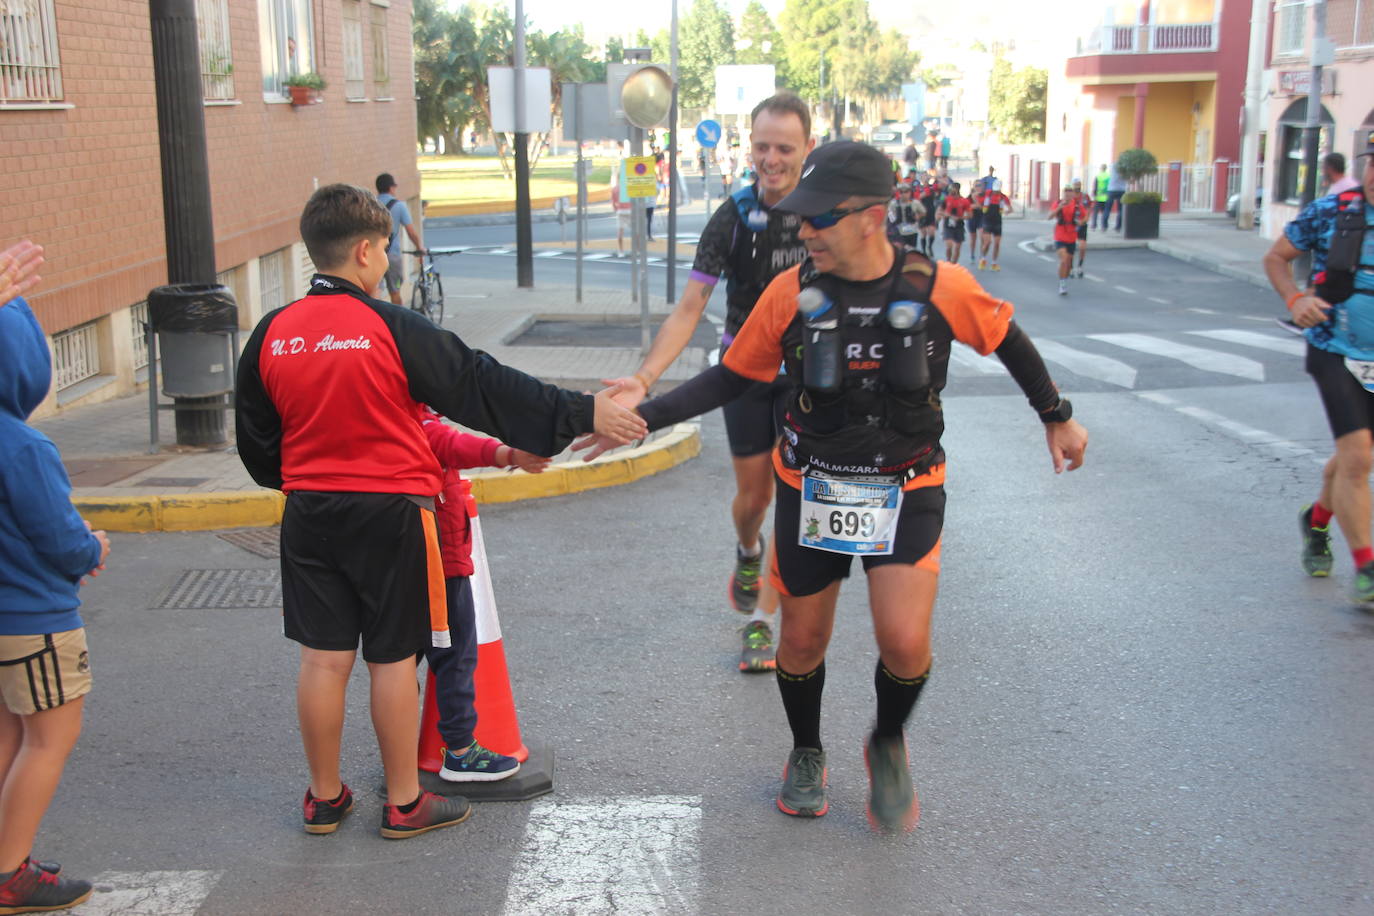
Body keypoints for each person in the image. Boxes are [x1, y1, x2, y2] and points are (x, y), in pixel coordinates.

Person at [588, 141, 1087, 832]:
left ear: (871, 217)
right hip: (812, 485)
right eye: (801, 217)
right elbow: (733, 375)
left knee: (905, 642)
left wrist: (1056, 417)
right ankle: (806, 750)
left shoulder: (938, 286)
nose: (805, 230)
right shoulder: (791, 293)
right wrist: (641, 414)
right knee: (799, 644)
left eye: (820, 218)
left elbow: (1005, 337)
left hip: (906, 483)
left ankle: (886, 738)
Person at [235, 184, 645, 839]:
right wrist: (579, 411)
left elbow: (257, 448)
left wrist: (304, 480)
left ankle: (324, 798)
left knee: (321, 661)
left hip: (309, 512)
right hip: (394, 513)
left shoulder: (272, 334)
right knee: (392, 659)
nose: (389, 265)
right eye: (387, 253)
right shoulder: (391, 328)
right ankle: (404, 802)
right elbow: (477, 383)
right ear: (366, 252)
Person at [575, 93, 817, 673]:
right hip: (742, 374)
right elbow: (689, 308)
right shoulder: (732, 217)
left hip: (807, 381)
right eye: (762, 146)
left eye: (784, 148)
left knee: (795, 499)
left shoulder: (825, 215)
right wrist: (643, 378)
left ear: (808, 148)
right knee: (754, 499)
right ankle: (747, 549)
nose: (771, 158)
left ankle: (761, 623)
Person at [0, 239, 111, 914]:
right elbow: (59, 537)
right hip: (37, 618)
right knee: (49, 739)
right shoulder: (23, 445)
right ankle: (11, 872)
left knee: (11, 738)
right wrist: (91, 544)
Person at [1265, 134, 1374, 599]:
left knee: (1355, 455)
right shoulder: (1332, 210)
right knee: (1360, 457)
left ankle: (1318, 520)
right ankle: (1368, 570)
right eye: (1371, 161)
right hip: (1335, 347)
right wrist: (1295, 297)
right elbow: (1276, 258)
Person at [420, 410, 549, 783]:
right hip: (440, 559)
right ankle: (459, 751)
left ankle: (395, 752)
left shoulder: (371, 415)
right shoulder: (414, 420)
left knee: (392, 662)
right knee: (456, 654)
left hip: (391, 553)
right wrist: (508, 454)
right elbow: (449, 443)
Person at [375, 173, 425, 307]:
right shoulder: (399, 206)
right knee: (395, 291)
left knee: (376, 291)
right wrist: (420, 248)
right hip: (393, 256)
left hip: (374, 256)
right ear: (391, 188)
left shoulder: (370, 205)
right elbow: (411, 232)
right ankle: (396, 323)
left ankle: (375, 319)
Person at [1050, 184, 1089, 296]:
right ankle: (1062, 284)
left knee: (1068, 262)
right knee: (1064, 259)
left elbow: (1085, 216)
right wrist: (1059, 207)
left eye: (1070, 191)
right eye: (1065, 191)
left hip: (1071, 236)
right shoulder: (1058, 203)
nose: (1067, 194)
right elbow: (1049, 216)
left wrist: (1081, 222)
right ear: (1063, 193)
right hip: (1060, 235)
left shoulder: (1077, 205)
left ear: (1072, 193)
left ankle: (1064, 279)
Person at [976, 181, 1014, 270]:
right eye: (995, 190)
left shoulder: (1003, 197)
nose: (996, 192)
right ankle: (983, 258)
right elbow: (976, 196)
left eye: (997, 190)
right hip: (987, 221)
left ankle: (994, 263)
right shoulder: (987, 194)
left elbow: (1010, 208)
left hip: (997, 221)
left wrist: (1007, 211)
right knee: (987, 242)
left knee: (997, 244)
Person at [939, 182, 971, 265]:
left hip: (959, 225)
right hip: (948, 224)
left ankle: (954, 264)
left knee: (957, 248)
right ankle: (948, 261)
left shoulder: (964, 201)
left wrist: (960, 218)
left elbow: (970, 215)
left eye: (952, 189)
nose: (950, 191)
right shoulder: (946, 199)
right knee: (949, 246)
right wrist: (945, 215)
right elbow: (940, 210)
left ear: (957, 190)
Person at [1072, 179, 1090, 278]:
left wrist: (1083, 221)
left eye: (1079, 185)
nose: (1077, 187)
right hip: (1071, 225)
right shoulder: (1069, 197)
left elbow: (1088, 211)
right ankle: (1070, 267)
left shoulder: (1085, 197)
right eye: (1075, 185)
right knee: (1070, 247)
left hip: (1082, 224)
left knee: (1082, 246)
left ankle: (1080, 266)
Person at [1106, 163, 1127, 231]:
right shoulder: (1125, 167)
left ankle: (1104, 225)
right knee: (1120, 210)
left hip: (1112, 189)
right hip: (1121, 190)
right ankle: (1118, 227)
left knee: (1107, 208)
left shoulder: (1113, 166)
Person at [1091, 164, 1111, 230]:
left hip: (1098, 196)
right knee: (1104, 212)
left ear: (1101, 168)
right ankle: (1104, 226)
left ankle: (1094, 225)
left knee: (1095, 212)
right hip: (1106, 196)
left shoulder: (1098, 176)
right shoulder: (1108, 176)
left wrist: (1093, 193)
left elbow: (1095, 185)